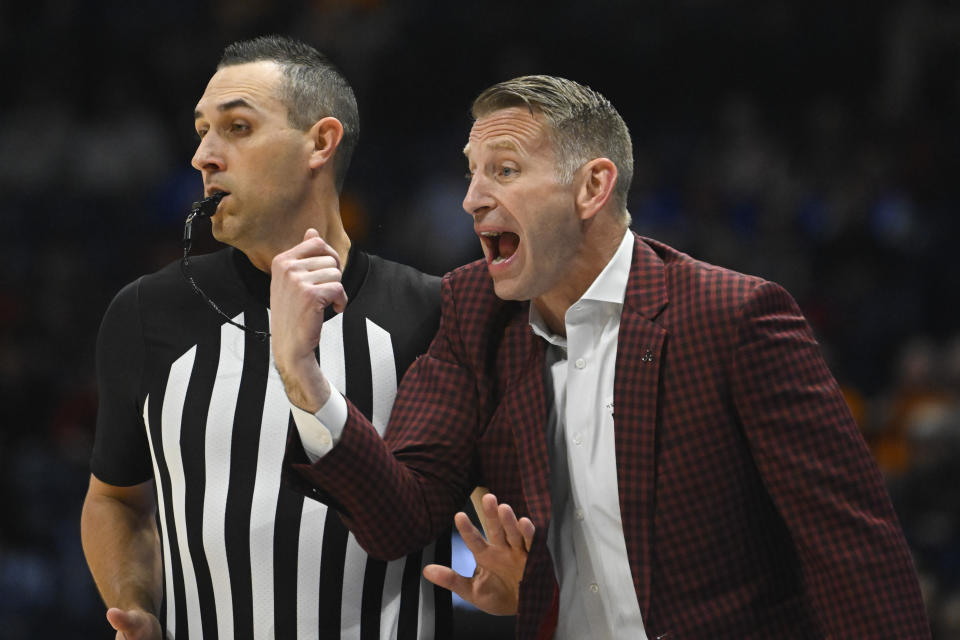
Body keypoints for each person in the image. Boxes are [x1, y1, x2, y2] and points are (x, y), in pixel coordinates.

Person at [271, 74, 932, 639]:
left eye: (504, 170)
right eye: (470, 172)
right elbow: (399, 517)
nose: (472, 199)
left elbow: (855, 557)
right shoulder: (473, 313)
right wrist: (304, 378)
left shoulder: (732, 319)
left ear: (592, 187)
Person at [80, 35, 452, 639]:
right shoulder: (146, 313)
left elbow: (492, 512)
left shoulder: (430, 313)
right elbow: (115, 499)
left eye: (238, 128)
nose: (204, 154)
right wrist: (138, 604)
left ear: (321, 143)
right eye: (201, 131)